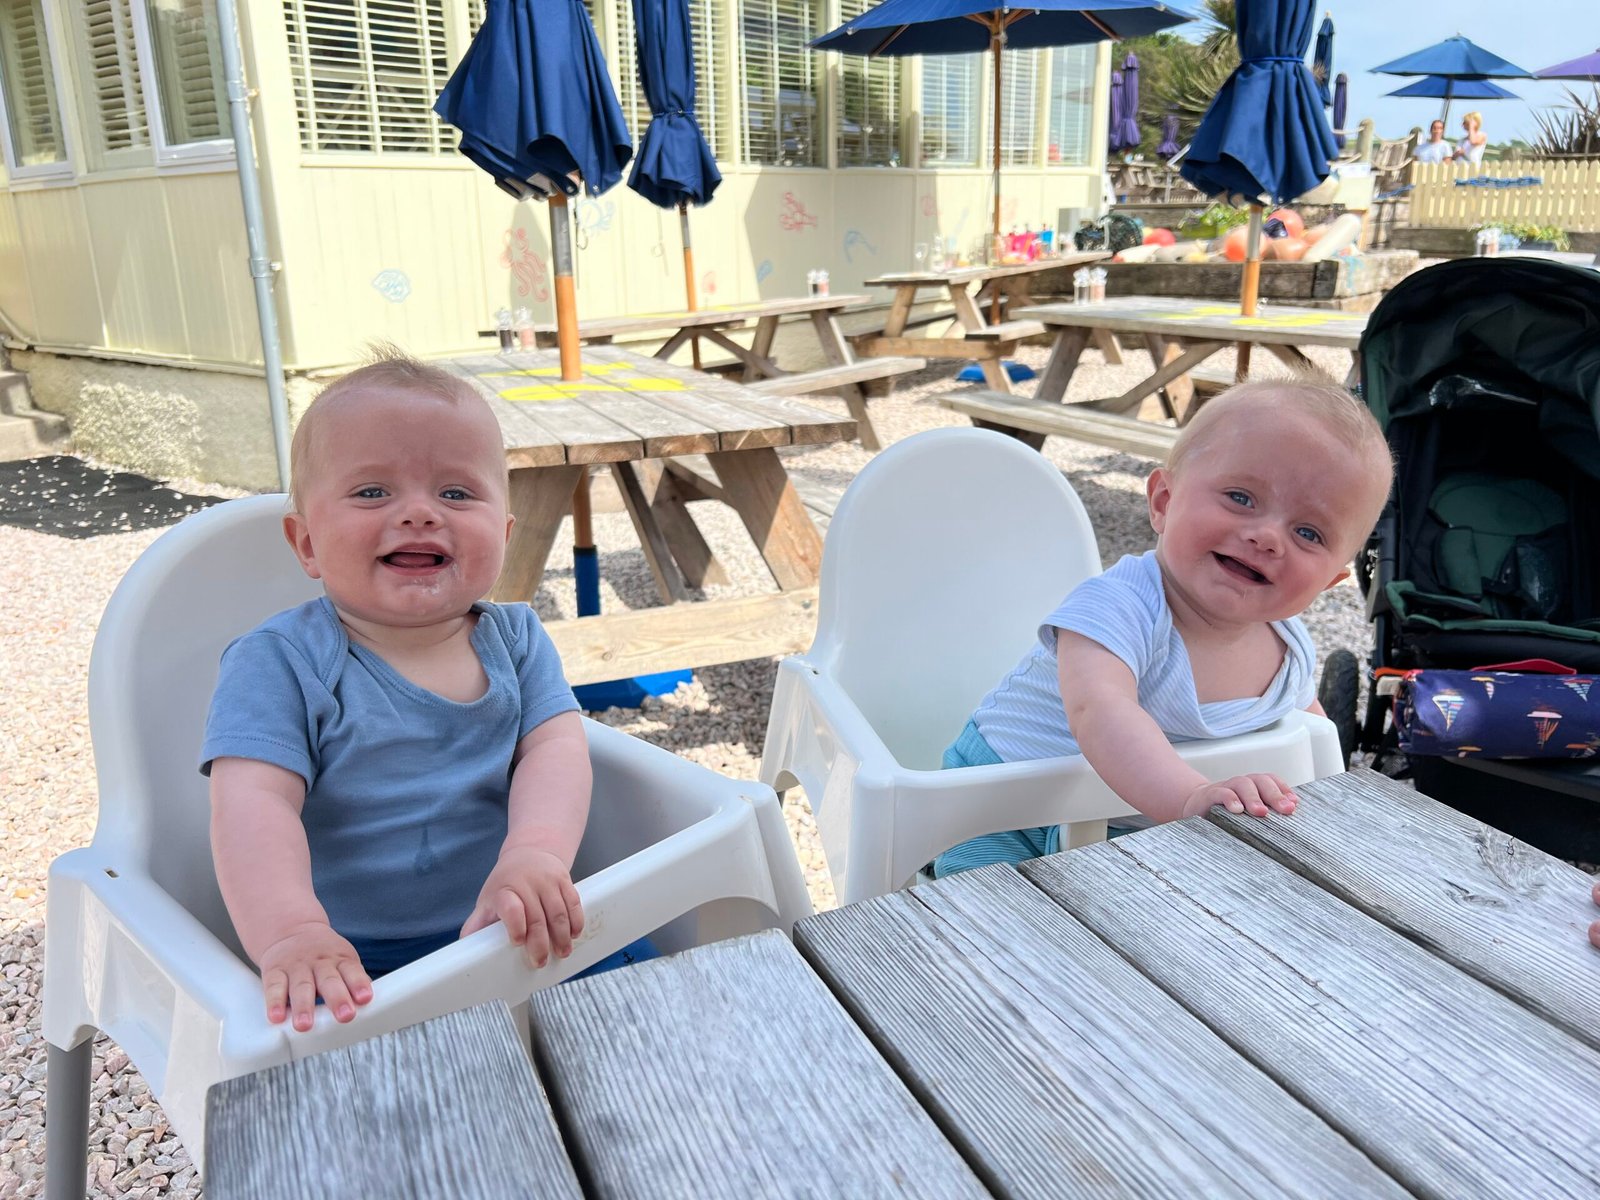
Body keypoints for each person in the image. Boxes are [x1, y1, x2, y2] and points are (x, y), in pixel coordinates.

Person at [202, 349, 591, 1032]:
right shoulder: (281, 662)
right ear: (307, 544)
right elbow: (252, 803)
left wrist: (535, 853)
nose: (419, 513)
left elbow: (556, 752)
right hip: (351, 963)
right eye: (372, 492)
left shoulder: (518, 640)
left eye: (456, 493)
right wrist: (290, 931)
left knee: (640, 1014)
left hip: (512, 928)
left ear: (504, 535)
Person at [933, 378, 1395, 878]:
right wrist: (1190, 795)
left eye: (1308, 532)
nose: (1266, 536)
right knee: (984, 916)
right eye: (1241, 497)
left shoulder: (1289, 650)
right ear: (1164, 502)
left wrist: (1322, 807)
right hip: (1002, 810)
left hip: (1132, 825)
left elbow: (1310, 742)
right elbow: (1099, 712)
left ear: (1331, 581)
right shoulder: (1119, 606)